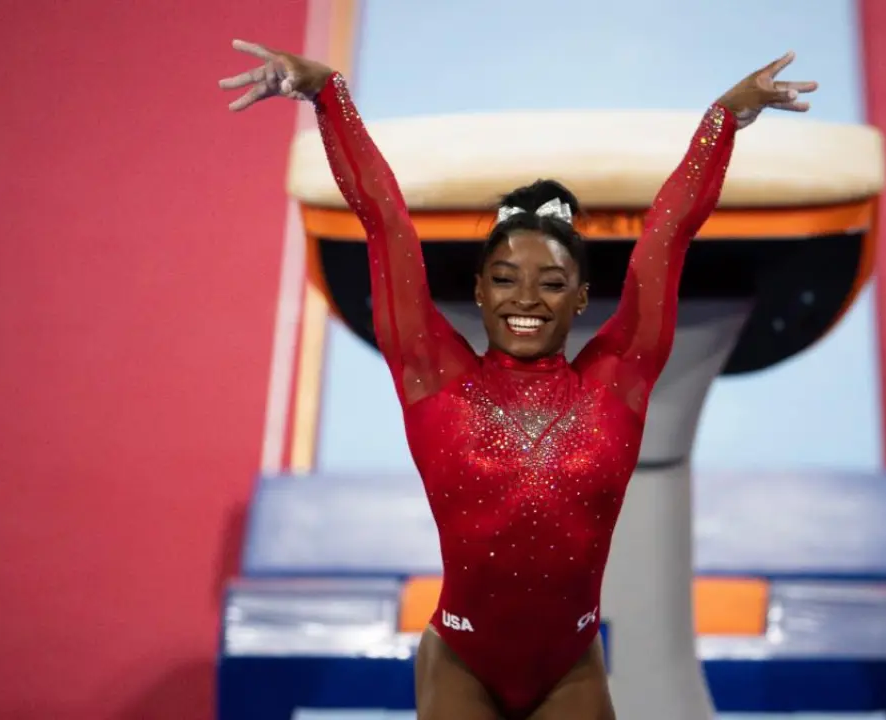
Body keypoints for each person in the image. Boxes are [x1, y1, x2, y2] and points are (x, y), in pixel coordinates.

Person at [220, 40, 816, 720]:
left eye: (551, 283)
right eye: (505, 279)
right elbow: (384, 220)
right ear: (479, 289)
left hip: (570, 668)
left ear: (582, 298)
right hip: (462, 661)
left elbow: (669, 233)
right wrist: (330, 95)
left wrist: (722, 121)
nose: (525, 299)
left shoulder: (617, 380)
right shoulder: (433, 376)